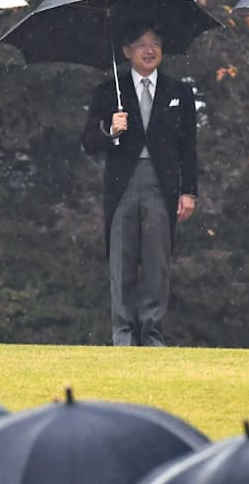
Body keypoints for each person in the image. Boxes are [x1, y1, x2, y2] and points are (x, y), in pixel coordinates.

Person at [82, 20, 197, 347]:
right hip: (123, 184)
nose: (150, 50)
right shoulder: (108, 92)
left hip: (162, 184)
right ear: (126, 51)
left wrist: (189, 191)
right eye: (142, 44)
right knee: (122, 260)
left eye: (156, 43)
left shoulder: (179, 92)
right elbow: (89, 141)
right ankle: (124, 335)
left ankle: (153, 334)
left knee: (157, 262)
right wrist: (111, 131)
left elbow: (188, 147)